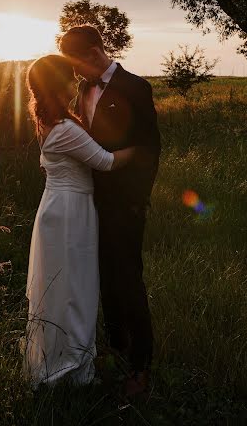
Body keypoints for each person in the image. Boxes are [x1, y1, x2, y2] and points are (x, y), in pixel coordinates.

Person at [23, 54, 136, 389]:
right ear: (59, 84)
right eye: (70, 77)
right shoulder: (64, 129)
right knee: (75, 288)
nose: (76, 81)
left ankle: (64, 355)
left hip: (62, 208)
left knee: (65, 287)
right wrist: (141, 149)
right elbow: (105, 161)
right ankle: (71, 367)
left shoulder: (51, 122)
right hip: (70, 213)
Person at [59, 25, 161, 396]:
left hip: (125, 204)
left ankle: (140, 365)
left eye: (75, 63)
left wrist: (135, 202)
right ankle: (115, 346)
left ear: (94, 52)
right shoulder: (83, 88)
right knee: (101, 276)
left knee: (129, 279)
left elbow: (149, 150)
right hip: (88, 200)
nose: (73, 73)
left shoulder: (136, 87)